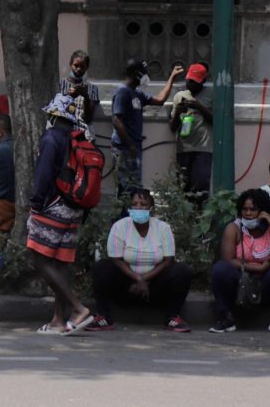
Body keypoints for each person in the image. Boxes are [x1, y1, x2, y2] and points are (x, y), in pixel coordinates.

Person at [28, 94, 93, 335]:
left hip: (52, 206)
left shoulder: (51, 137)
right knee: (60, 262)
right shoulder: (80, 138)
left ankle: (77, 308)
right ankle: (57, 319)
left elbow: (44, 175)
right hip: (75, 208)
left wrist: (35, 204)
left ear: (53, 116)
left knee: (39, 257)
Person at [90, 188, 192, 332]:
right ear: (130, 208)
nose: (138, 208)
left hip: (155, 286)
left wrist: (144, 279)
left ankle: (172, 318)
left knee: (182, 271)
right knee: (102, 267)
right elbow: (116, 259)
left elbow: (168, 260)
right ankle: (104, 317)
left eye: (143, 204)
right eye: (135, 204)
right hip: (126, 285)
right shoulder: (120, 227)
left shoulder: (163, 228)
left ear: (151, 208)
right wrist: (137, 279)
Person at [209, 188, 270, 334]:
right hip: (239, 283)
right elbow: (228, 259)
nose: (248, 213)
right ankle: (225, 317)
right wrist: (256, 268)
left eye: (253, 209)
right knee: (220, 269)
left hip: (264, 284)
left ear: (263, 211)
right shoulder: (234, 228)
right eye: (245, 209)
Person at [111, 59, 184, 196]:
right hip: (124, 148)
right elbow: (116, 120)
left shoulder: (137, 93)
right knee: (126, 188)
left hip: (134, 148)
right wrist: (130, 145)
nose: (145, 76)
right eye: (143, 73)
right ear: (134, 74)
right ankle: (123, 216)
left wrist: (172, 78)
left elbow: (160, 100)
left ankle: (130, 215)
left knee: (133, 187)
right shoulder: (123, 92)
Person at [169, 62, 213, 198]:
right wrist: (177, 112)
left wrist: (199, 106)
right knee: (183, 188)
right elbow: (172, 127)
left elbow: (216, 121)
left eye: (194, 82)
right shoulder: (179, 96)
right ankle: (185, 218)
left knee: (200, 189)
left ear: (203, 81)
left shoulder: (211, 94)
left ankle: (199, 216)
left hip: (203, 148)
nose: (190, 84)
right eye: (189, 81)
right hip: (184, 149)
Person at [51, 49, 100, 139]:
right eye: (76, 65)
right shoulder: (60, 85)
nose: (79, 69)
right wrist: (68, 97)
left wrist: (86, 96)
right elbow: (54, 112)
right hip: (63, 134)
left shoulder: (92, 89)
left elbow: (88, 119)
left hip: (84, 136)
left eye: (82, 66)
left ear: (87, 67)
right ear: (70, 64)